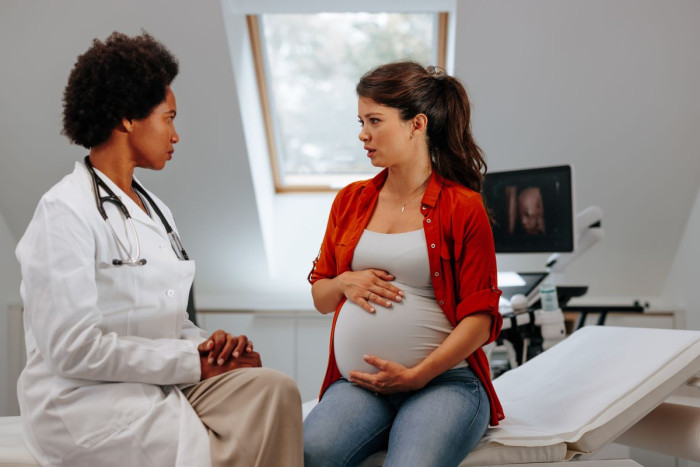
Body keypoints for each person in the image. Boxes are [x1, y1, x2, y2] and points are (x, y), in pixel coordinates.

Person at [15, 31, 302, 467]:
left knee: (274, 390)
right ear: (128, 118)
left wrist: (210, 348)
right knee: (208, 445)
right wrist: (192, 362)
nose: (176, 135)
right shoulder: (64, 211)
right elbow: (73, 349)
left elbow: (168, 320)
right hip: (83, 401)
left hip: (154, 379)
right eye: (168, 118)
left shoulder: (155, 210)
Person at [304, 62, 505, 466]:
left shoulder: (462, 207)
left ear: (417, 125)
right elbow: (321, 297)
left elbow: (481, 320)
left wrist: (417, 375)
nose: (363, 134)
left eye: (375, 121)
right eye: (361, 121)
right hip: (359, 385)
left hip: (444, 382)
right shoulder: (350, 200)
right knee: (309, 453)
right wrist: (344, 282)